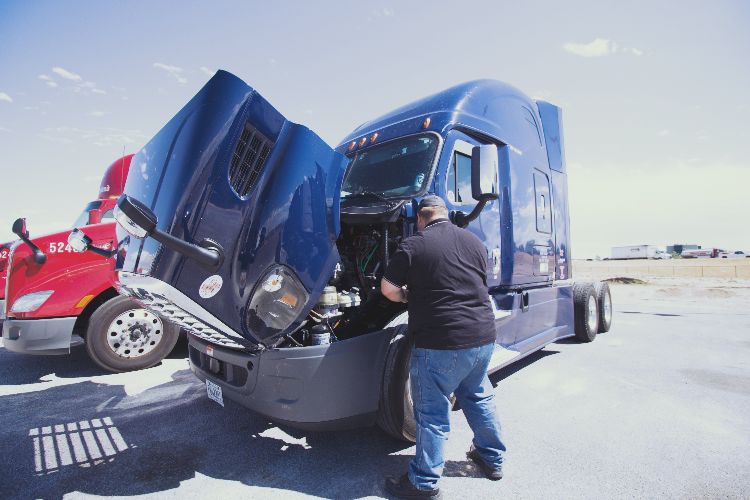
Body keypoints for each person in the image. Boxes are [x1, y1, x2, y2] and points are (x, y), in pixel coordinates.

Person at [381, 195, 506, 499]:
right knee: (478, 397)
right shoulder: (474, 242)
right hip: (482, 337)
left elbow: (388, 289)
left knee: (432, 414)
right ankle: (492, 459)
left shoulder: (414, 245)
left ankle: (424, 483)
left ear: (421, 219)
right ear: (446, 215)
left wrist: (409, 297)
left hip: (441, 342)